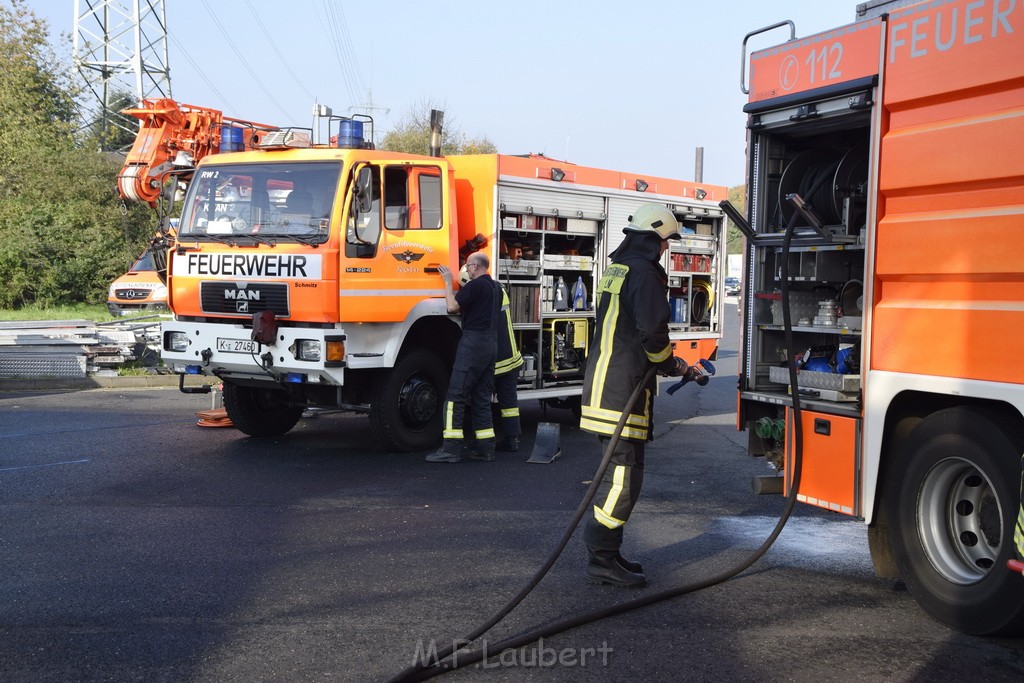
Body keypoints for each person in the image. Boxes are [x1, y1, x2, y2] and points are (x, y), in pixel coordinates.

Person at [579, 203, 700, 587]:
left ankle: (609, 554)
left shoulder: (618, 268)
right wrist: (673, 365)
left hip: (606, 384)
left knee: (620, 474)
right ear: (652, 239)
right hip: (622, 389)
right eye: (666, 242)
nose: (666, 249)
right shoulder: (645, 273)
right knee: (624, 479)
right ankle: (601, 556)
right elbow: (652, 333)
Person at [427, 252, 502, 463]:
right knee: (481, 398)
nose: (466, 270)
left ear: (476, 267)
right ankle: (485, 448)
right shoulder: (496, 288)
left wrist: (447, 283)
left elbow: (452, 307)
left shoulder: (475, 286)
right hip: (490, 345)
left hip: (473, 344)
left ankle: (450, 448)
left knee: (455, 396)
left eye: (468, 266)